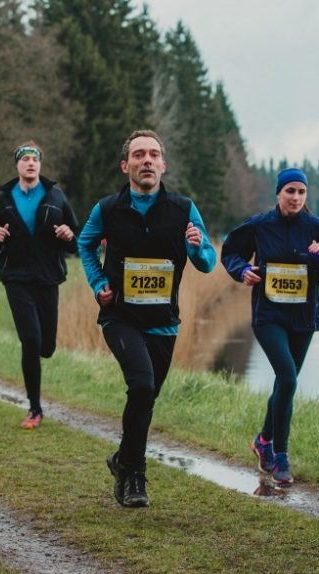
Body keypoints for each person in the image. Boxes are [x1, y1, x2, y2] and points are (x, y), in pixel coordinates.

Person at [77, 129, 216, 507]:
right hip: (120, 316)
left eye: (154, 154)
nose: (148, 160)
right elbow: (84, 244)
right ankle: (135, 477)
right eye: (139, 155)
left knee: (147, 396)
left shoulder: (184, 209)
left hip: (163, 321)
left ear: (163, 165)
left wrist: (197, 246)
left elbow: (208, 262)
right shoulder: (107, 209)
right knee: (140, 386)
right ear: (126, 166)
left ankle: (122, 459)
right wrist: (97, 281)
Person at [221, 167, 319, 487]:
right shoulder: (260, 226)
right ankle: (280, 456)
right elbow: (231, 252)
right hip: (269, 316)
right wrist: (241, 271)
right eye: (289, 191)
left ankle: (263, 440)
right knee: (288, 377)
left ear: (307, 196)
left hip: (303, 319)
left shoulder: (318, 230)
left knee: (284, 382)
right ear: (278, 193)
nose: (295, 197)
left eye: (301, 192)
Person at [0, 141, 79, 429]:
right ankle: (35, 409)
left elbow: (76, 237)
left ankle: (37, 356)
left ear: (40, 164)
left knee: (47, 346)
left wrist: (67, 234)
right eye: (24, 159)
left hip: (48, 277)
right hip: (16, 277)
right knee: (31, 340)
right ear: (17, 165)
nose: (30, 163)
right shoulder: (3, 199)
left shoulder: (56, 195)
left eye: (34, 159)